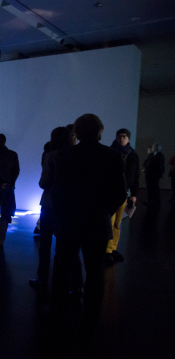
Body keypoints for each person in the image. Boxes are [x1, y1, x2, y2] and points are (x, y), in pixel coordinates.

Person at [51, 113, 127, 330]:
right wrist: (104, 210)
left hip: (69, 221)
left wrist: (60, 216)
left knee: (62, 268)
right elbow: (120, 192)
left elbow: (58, 191)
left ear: (77, 131)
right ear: (99, 131)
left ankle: (57, 313)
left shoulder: (65, 155)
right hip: (97, 222)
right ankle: (91, 316)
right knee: (95, 272)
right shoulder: (111, 157)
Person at [29, 126, 74, 290]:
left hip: (49, 203)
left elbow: (43, 182)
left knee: (45, 243)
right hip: (69, 206)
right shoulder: (75, 155)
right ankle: (70, 284)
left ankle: (42, 279)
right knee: (67, 246)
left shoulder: (51, 156)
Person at [104, 128, 139, 266]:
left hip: (124, 193)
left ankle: (112, 249)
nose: (122, 138)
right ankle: (107, 251)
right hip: (110, 193)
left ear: (128, 138)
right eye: (119, 136)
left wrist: (134, 194)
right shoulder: (109, 153)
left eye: (124, 136)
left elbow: (136, 176)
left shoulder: (133, 156)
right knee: (109, 223)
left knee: (117, 223)